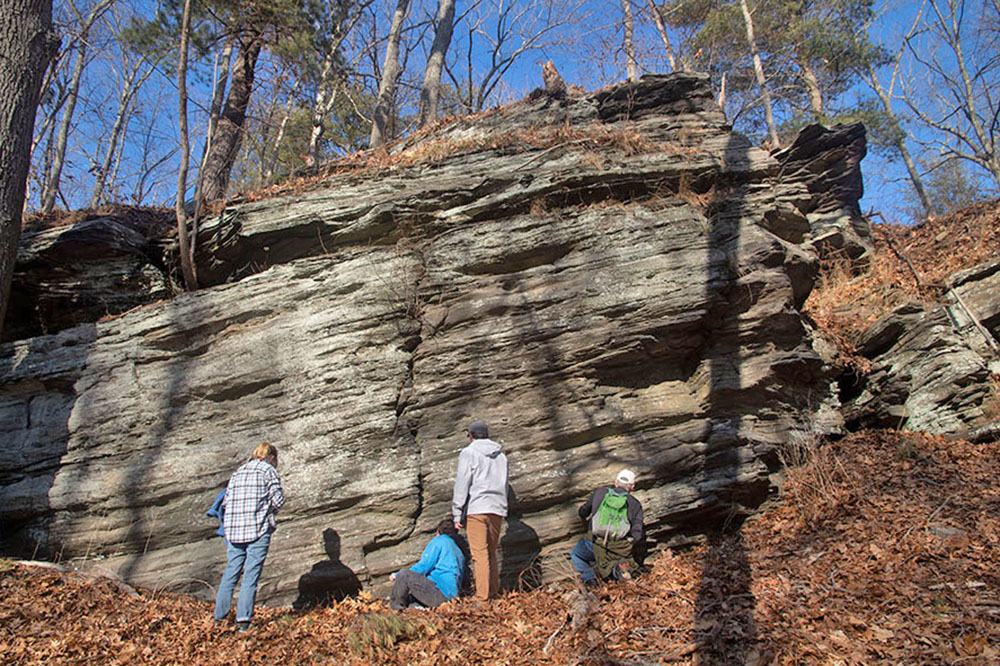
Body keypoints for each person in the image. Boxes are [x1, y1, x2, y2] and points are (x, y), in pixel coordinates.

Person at [213, 443, 285, 632]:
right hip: (257, 529)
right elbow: (278, 500)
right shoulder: (268, 471)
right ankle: (243, 621)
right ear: (272, 457)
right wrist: (270, 509)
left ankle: (219, 619)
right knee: (250, 576)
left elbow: (226, 501)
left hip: (235, 531)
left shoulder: (239, 472)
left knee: (230, 574)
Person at [452, 419, 508, 601]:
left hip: (477, 507)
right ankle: (493, 592)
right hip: (497, 507)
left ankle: (482, 598)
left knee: (479, 554)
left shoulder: (468, 453)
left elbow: (462, 483)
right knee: (491, 552)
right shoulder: (501, 456)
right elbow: (504, 484)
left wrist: (457, 511)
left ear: (471, 436)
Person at [571, 468, 644, 586]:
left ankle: (590, 580)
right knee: (619, 559)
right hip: (619, 548)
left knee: (576, 554)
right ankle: (618, 570)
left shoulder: (600, 493)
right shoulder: (635, 504)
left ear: (615, 482)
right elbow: (637, 533)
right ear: (632, 487)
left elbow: (583, 511)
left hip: (595, 544)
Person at [389, 518, 466, 610]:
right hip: (451, 598)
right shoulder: (458, 551)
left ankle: (395, 609)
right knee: (410, 598)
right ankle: (416, 607)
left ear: (438, 531)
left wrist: (396, 575)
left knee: (404, 575)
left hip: (440, 594)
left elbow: (424, 566)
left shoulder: (439, 541)